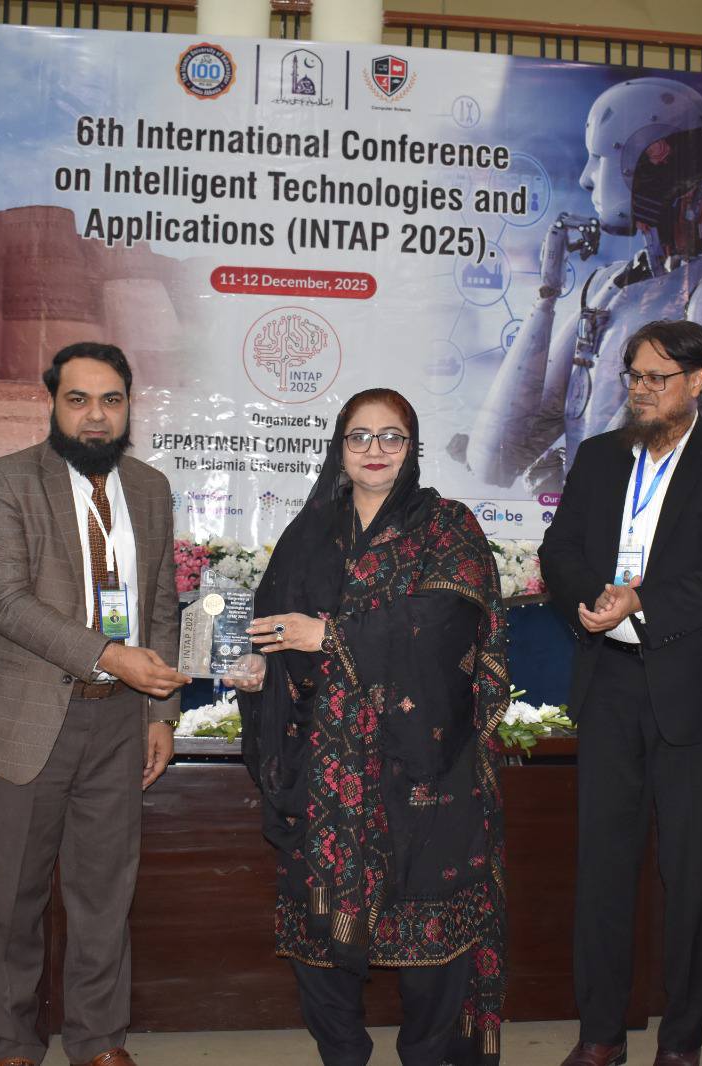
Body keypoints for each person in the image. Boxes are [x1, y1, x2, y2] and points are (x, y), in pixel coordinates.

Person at [234, 387, 509, 1066]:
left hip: (425, 771)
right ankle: (341, 1055)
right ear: (340, 448)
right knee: (319, 934)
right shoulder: (310, 533)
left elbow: (444, 626)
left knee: (432, 939)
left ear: (413, 448)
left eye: (392, 437)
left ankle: (430, 1057)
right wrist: (259, 666)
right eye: (359, 436)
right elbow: (275, 626)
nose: (375, 450)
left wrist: (329, 636)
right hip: (324, 773)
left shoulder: (447, 525)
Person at [537, 319, 702, 1066]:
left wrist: (643, 601)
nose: (640, 390)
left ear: (697, 382)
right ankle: (601, 1035)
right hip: (610, 684)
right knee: (604, 869)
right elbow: (559, 549)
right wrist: (591, 599)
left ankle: (681, 1042)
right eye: (634, 376)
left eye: (656, 378)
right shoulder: (601, 458)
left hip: (694, 693)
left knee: (692, 874)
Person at [0, 341, 189, 1066]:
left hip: (120, 721)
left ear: (129, 407)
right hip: (25, 717)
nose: (95, 416)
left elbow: (160, 605)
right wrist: (110, 655)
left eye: (111, 401)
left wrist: (161, 715)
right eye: (78, 399)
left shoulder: (149, 488)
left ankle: (98, 1040)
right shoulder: (7, 479)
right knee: (12, 896)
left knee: (104, 895)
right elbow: (7, 602)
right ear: (52, 403)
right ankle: (10, 1043)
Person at [462, 76, 702, 494]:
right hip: (586, 522)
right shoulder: (607, 287)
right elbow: (498, 457)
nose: (587, 179)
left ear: (646, 161)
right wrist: (548, 295)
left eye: (599, 158)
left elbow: (653, 459)